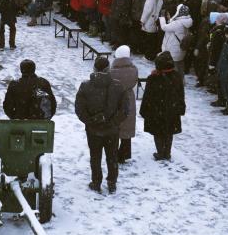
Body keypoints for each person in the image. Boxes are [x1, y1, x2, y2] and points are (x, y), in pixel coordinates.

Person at [75, 55, 130, 194]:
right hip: (112, 131)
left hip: (93, 131)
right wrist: (113, 122)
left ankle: (96, 182)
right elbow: (124, 110)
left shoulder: (85, 86)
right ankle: (112, 182)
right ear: (108, 69)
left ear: (94, 68)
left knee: (95, 157)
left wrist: (91, 122)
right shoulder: (118, 86)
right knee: (112, 157)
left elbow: (80, 109)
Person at [139, 51, 184, 160]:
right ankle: (167, 153)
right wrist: (181, 107)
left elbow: (147, 96)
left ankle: (160, 152)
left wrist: (144, 110)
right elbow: (181, 94)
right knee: (169, 131)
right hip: (172, 109)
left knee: (158, 132)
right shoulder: (177, 76)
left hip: (156, 111)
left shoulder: (153, 78)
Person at [109, 45, 138, 163]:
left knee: (115, 126)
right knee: (127, 126)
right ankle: (125, 153)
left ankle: (114, 153)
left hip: (115, 99)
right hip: (129, 98)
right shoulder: (134, 70)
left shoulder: (112, 72)